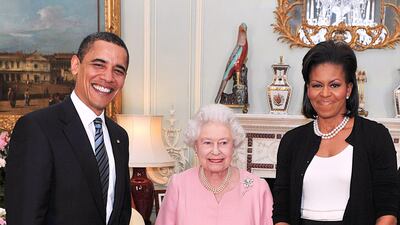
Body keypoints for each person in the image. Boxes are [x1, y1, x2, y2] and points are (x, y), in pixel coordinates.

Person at [5, 32, 132, 225]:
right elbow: (25, 218)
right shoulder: (37, 129)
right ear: (75, 65)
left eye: (118, 70)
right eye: (99, 65)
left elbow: (120, 214)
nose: (108, 77)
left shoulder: (119, 137)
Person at [273, 40, 398, 225]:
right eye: (316, 85)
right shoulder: (291, 141)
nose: (325, 93)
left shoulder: (376, 137)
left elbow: (388, 209)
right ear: (308, 89)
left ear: (348, 89)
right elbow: (281, 212)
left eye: (334, 85)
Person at [155, 104, 274, 225]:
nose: (216, 151)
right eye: (207, 143)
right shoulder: (179, 185)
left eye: (223, 142)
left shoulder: (257, 189)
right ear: (196, 146)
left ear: (233, 145)